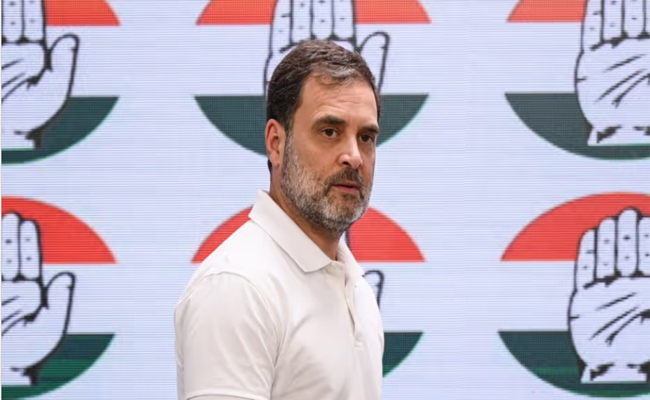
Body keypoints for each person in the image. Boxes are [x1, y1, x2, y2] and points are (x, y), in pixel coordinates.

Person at [174, 39, 384, 400]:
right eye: (330, 131)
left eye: (366, 137)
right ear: (275, 142)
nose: (354, 156)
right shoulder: (238, 286)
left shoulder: (358, 289)